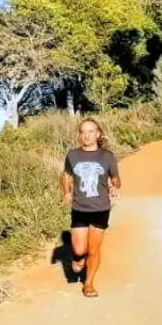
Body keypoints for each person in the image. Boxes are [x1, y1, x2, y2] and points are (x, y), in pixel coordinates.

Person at [62, 118, 120, 298]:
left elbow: (116, 178)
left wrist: (114, 185)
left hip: (100, 209)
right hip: (80, 208)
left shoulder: (107, 156)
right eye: (83, 132)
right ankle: (79, 259)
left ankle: (88, 283)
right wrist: (66, 191)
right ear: (79, 135)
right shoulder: (73, 155)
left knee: (94, 249)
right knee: (80, 250)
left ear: (98, 134)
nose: (86, 135)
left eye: (90, 131)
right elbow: (66, 174)